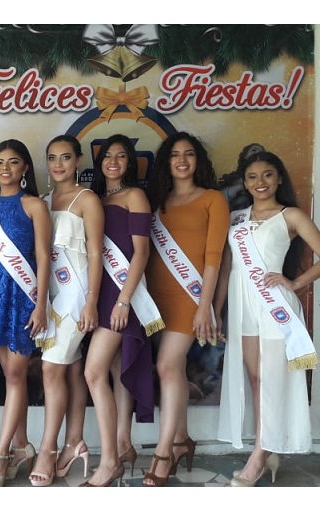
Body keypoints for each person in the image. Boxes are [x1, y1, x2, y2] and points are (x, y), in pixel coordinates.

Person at [215, 151, 320, 487]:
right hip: (243, 307)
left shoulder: (291, 216)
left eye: (268, 175)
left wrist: (296, 283)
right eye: (252, 177)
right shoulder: (236, 219)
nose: (260, 182)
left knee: (271, 380)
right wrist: (217, 309)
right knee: (256, 379)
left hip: (275, 307)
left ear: (279, 178)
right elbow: (226, 268)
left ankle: (259, 456)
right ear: (245, 183)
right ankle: (268, 447)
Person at [143, 132, 229, 486]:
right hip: (156, 298)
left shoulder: (212, 199)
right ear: (166, 162)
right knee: (172, 369)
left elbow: (215, 257)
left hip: (191, 297)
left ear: (198, 161)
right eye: (175, 155)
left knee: (167, 365)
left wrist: (207, 306)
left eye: (189, 154)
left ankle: (163, 453)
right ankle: (181, 440)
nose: (182, 160)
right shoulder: (157, 202)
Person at [83, 134, 158, 487]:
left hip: (121, 294)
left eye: (121, 156)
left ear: (130, 162)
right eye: (107, 156)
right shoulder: (95, 199)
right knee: (116, 367)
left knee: (93, 372)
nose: (113, 161)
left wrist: (124, 300)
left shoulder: (134, 196)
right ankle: (124, 443)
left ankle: (110, 460)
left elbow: (142, 253)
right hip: (100, 292)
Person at [0, 139, 51, 487]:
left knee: (17, 374)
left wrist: (41, 304)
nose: (5, 168)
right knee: (10, 375)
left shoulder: (34, 205)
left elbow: (44, 257)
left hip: (23, 297)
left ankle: (2, 453)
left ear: (25, 168)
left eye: (13, 161)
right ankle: (22, 446)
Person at [31, 135, 102, 487]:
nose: (58, 164)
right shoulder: (44, 201)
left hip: (76, 298)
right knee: (71, 369)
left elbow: (96, 254)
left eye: (65, 157)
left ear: (78, 161)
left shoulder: (87, 199)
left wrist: (91, 301)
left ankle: (47, 449)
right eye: (52, 158)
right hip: (51, 297)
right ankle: (74, 441)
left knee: (51, 368)